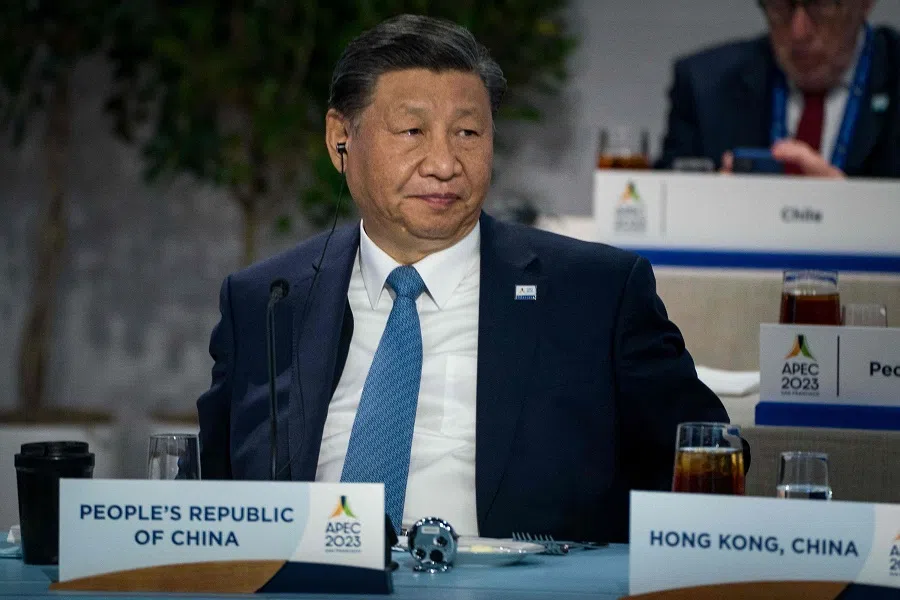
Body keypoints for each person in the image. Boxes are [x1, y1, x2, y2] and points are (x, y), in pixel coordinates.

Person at [197, 14, 737, 544]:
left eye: (468, 132)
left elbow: (710, 460)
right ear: (341, 139)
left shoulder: (596, 294)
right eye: (412, 131)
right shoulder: (267, 302)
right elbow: (205, 496)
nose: (444, 162)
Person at [657, 0, 900, 178]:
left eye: (821, 7)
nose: (799, 32)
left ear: (865, 4)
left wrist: (848, 209)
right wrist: (713, 202)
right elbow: (665, 210)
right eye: (780, 7)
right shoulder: (705, 86)